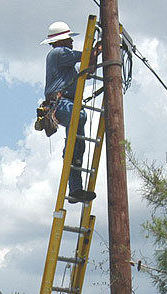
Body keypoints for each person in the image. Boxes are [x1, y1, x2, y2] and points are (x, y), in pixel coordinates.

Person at [40, 21, 101, 203]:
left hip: (68, 103)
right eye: (68, 39)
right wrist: (100, 46)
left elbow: (88, 65)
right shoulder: (59, 53)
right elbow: (87, 57)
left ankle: (75, 189)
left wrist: (96, 52)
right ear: (60, 41)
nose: (71, 42)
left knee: (78, 143)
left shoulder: (66, 64)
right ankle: (70, 153)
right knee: (79, 116)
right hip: (61, 104)